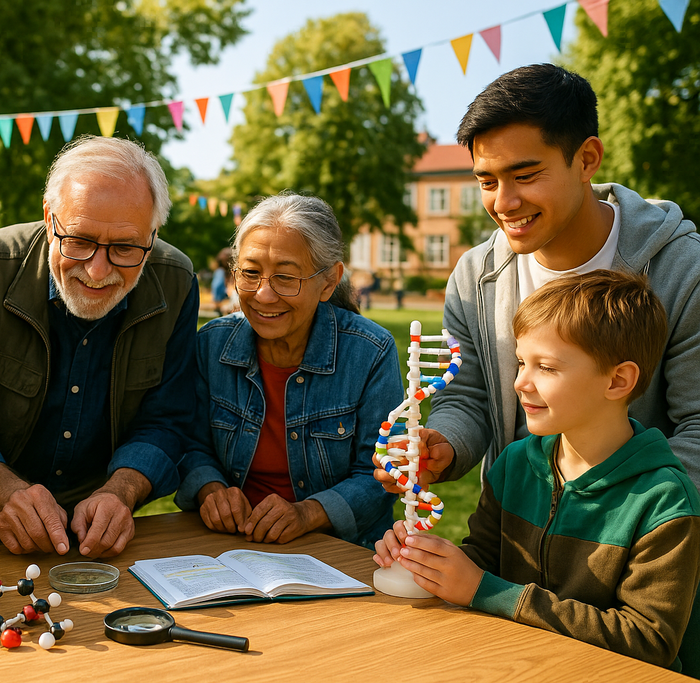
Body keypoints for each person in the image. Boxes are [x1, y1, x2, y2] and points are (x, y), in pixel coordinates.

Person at [374, 63, 700, 495]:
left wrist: (609, 516)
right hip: (512, 539)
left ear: (586, 160)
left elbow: (695, 427)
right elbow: (467, 396)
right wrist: (443, 445)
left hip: (632, 547)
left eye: (524, 176)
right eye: (487, 181)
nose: (504, 203)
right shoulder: (473, 275)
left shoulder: (682, 269)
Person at [374, 270, 700, 672]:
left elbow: (648, 641)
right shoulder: (515, 463)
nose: (519, 382)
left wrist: (485, 591)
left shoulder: (664, 502)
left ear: (618, 380)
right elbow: (484, 561)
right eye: (520, 362)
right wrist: (430, 563)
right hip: (514, 666)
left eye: (545, 367)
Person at [0, 135, 199, 559]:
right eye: (79, 240)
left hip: (110, 538)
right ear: (48, 216)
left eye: (126, 248)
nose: (97, 270)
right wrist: (5, 491)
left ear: (153, 234)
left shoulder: (177, 281)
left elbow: (168, 418)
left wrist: (122, 491)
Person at [175, 194, 400, 548]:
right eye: (250, 273)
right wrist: (210, 488)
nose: (263, 295)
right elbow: (189, 443)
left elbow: (383, 475)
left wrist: (307, 514)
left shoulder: (370, 352)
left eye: (285, 278)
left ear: (328, 282)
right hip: (228, 547)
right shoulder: (211, 345)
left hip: (341, 550)